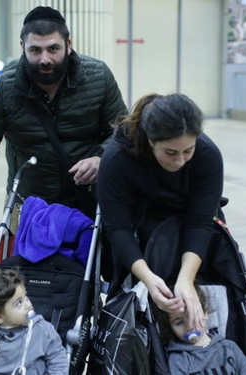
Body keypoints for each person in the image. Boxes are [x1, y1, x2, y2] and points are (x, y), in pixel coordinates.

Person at [0, 6, 126, 222]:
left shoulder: (98, 76)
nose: (45, 59)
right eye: (35, 50)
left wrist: (101, 159)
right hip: (27, 205)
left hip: (88, 201)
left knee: (93, 255)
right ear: (23, 47)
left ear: (68, 45)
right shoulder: (2, 85)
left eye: (53, 49)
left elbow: (124, 132)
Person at [96, 93, 224, 338]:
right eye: (170, 152)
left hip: (188, 223)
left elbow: (200, 222)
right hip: (139, 229)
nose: (180, 161)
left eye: (188, 151)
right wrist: (148, 279)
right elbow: (118, 228)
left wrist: (186, 279)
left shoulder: (208, 155)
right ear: (150, 140)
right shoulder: (117, 159)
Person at [0, 268, 68, 375]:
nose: (27, 304)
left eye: (25, 297)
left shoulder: (43, 330)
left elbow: (57, 359)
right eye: (19, 303)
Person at [157, 282, 246, 375]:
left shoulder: (228, 347)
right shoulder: (179, 358)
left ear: (205, 313)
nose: (189, 326)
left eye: (194, 316)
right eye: (179, 322)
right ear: (171, 327)